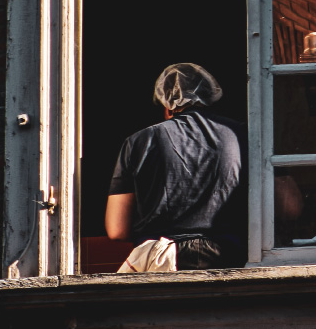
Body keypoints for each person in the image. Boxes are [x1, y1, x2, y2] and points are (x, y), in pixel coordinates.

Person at [105, 63, 247, 271]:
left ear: (166, 105)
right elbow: (291, 207)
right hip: (233, 258)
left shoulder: (139, 141)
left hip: (162, 264)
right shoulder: (242, 135)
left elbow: (117, 229)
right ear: (211, 97)